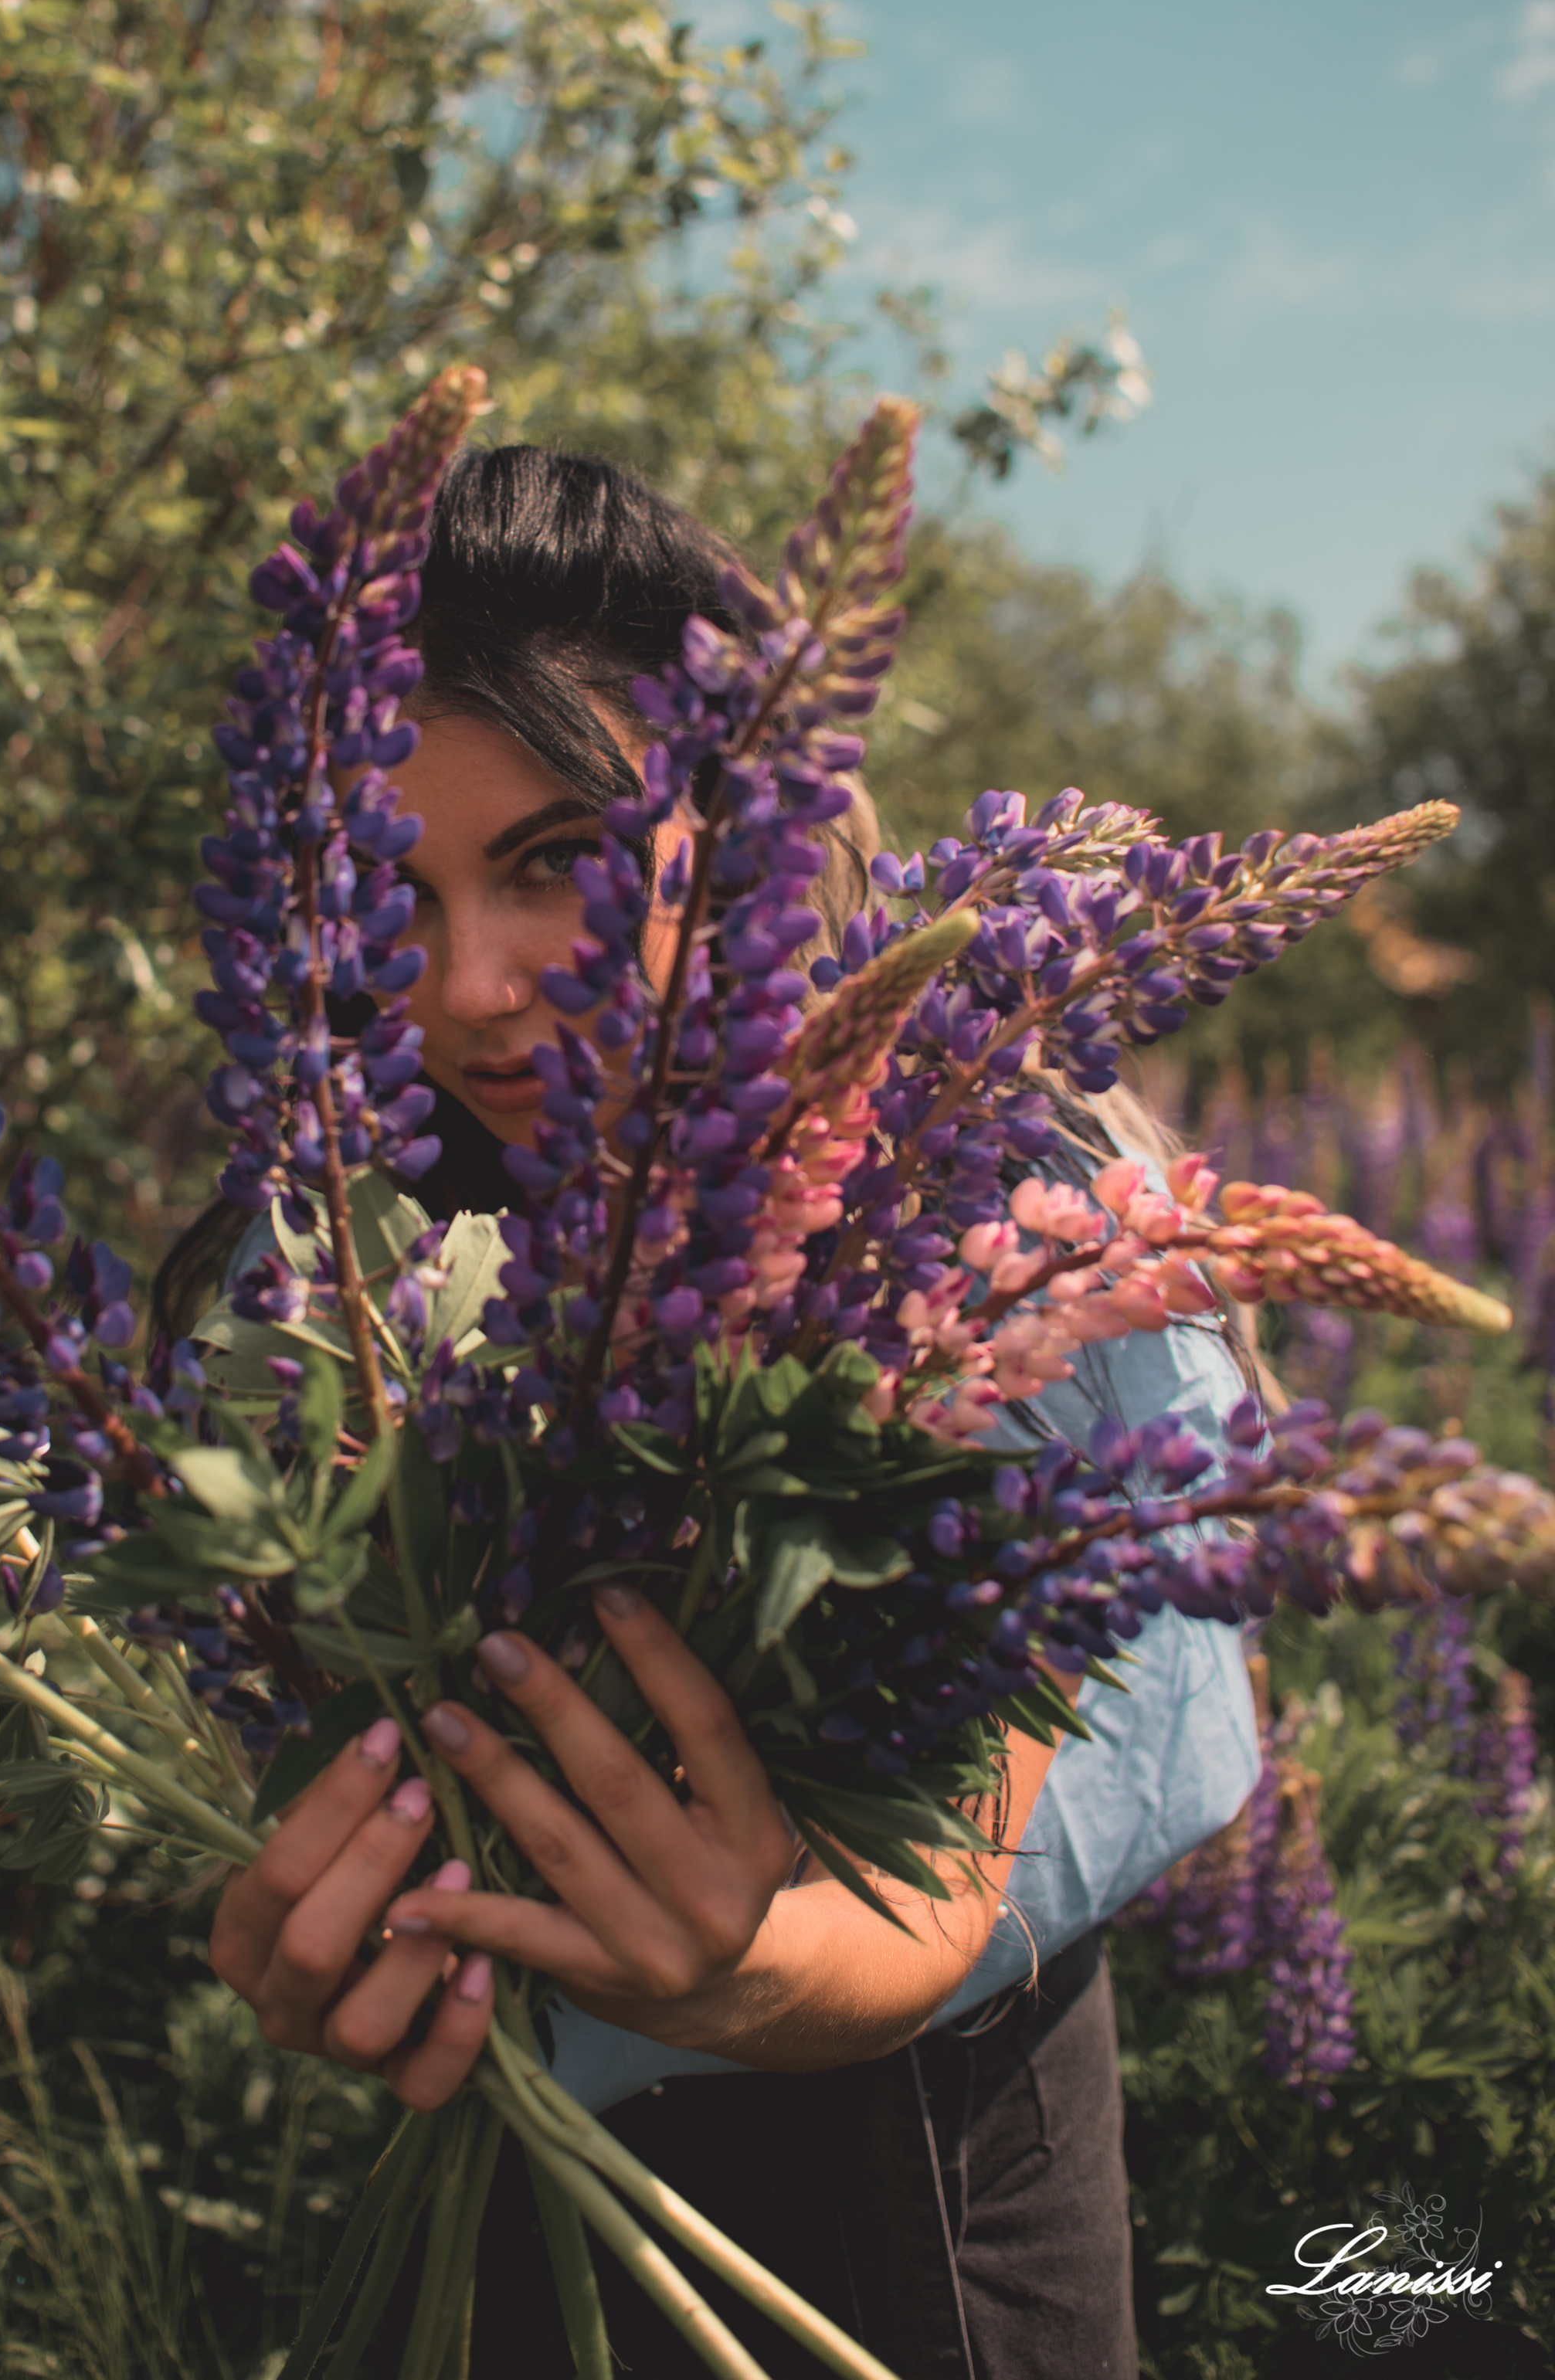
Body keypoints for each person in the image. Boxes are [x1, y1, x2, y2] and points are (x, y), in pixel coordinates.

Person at [188, 445, 1262, 2380]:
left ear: (750, 833)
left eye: (554, 863)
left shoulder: (981, 1202)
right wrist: (349, 1935)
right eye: (390, 896)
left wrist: (732, 1967)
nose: (472, 987)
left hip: (904, 2203)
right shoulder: (375, 1244)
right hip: (518, 2185)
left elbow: (948, 1896)